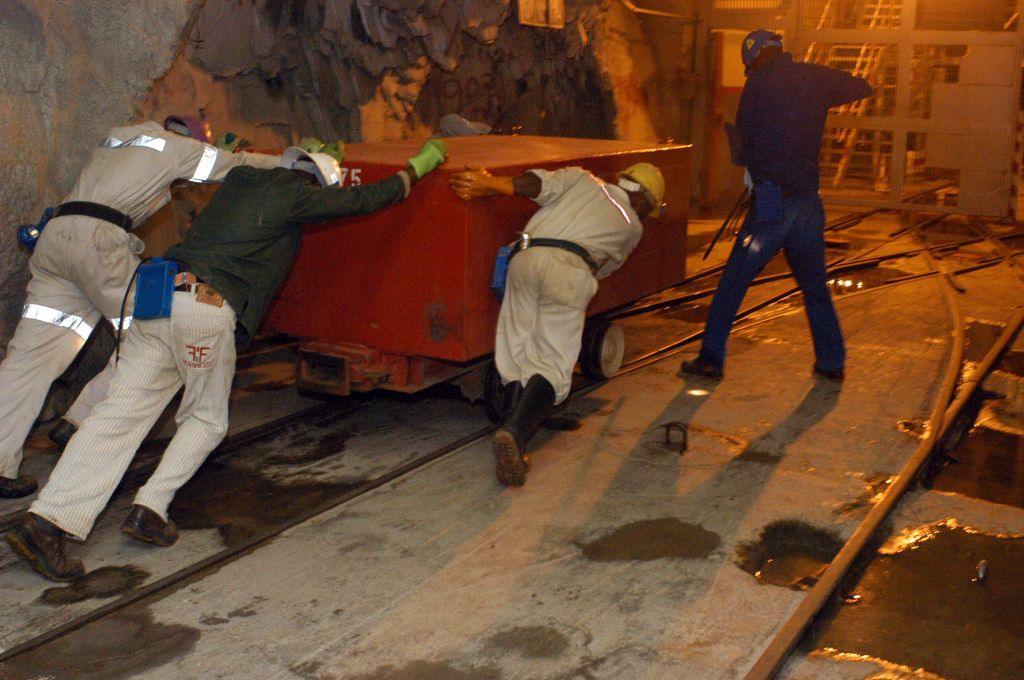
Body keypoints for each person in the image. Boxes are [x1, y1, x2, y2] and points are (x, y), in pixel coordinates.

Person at [5, 140, 448, 581]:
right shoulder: (293, 194)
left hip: (156, 300)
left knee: (115, 417)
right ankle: (151, 507)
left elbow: (235, 169)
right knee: (206, 420)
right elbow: (366, 198)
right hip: (205, 311)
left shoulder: (239, 182)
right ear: (312, 181)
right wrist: (414, 170)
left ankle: (45, 523)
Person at [0, 116, 280, 499]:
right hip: (100, 244)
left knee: (29, 357)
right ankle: (80, 421)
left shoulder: (118, 139)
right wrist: (295, 164)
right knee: (151, 333)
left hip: (55, 240)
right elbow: (238, 167)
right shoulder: (176, 147)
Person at [450, 162, 665, 486]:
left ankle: (509, 431)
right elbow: (604, 268)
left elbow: (536, 184)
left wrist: (490, 184)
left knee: (515, 354)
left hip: (523, 261)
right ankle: (515, 433)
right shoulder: (632, 225)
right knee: (552, 364)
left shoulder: (582, 180)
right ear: (645, 202)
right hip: (569, 268)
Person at [681, 30, 872, 382]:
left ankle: (710, 359)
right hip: (807, 203)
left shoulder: (757, 87)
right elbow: (862, 86)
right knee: (814, 286)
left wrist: (755, 171)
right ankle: (832, 363)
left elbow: (745, 146)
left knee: (735, 279)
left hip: (771, 200)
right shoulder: (813, 77)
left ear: (753, 59)